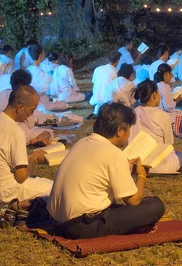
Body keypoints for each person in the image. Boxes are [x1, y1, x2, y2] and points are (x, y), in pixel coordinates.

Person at [48, 102, 165, 239]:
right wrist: (141, 175)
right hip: (82, 226)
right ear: (120, 130)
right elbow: (133, 201)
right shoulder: (113, 153)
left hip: (56, 221)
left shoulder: (82, 142)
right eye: (128, 129)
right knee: (155, 205)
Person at [0, 85, 52, 207]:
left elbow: (1, 159)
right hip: (7, 193)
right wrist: (34, 159)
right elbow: (21, 177)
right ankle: (22, 205)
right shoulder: (16, 131)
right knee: (56, 189)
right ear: (20, 108)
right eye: (31, 110)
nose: (31, 115)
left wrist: (30, 156)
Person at [133, 80, 182, 173]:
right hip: (157, 165)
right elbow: (169, 143)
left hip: (136, 162)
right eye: (159, 93)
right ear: (154, 95)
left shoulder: (134, 112)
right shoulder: (162, 115)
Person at [0, 69, 54, 146]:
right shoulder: (22, 99)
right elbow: (30, 124)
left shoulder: (3, 93)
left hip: (1, 128)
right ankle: (37, 139)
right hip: (17, 130)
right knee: (48, 132)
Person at [26, 44, 68, 112]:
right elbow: (50, 91)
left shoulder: (27, 70)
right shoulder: (42, 72)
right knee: (63, 104)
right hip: (40, 102)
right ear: (40, 55)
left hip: (29, 101)